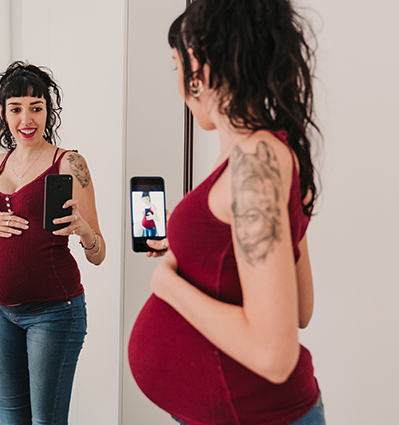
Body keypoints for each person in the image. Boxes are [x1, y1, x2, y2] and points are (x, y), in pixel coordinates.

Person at [128, 1, 324, 424]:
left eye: (176, 66)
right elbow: (300, 307)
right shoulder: (260, 153)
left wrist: (168, 283)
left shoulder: (256, 162)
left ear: (198, 65)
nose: (178, 84)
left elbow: (275, 354)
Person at [0, 61, 106, 425]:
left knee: (45, 422)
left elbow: (99, 253)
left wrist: (83, 230)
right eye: (16, 108)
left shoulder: (69, 163)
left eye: (36, 107)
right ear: (3, 112)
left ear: (49, 111)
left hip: (54, 313)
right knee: (11, 420)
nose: (26, 118)